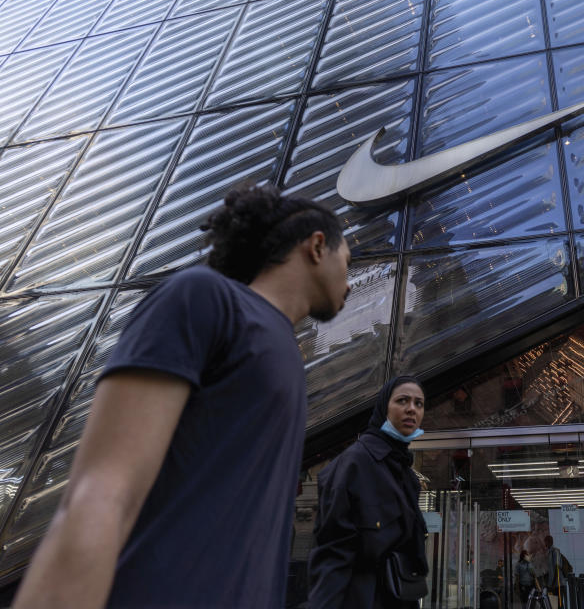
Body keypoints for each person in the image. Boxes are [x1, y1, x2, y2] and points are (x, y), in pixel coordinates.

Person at [13, 185, 351, 609]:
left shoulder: (284, 350)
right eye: (348, 262)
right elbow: (101, 491)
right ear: (317, 246)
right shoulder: (204, 297)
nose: (351, 283)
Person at [309, 377, 429, 608]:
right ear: (384, 407)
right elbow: (332, 553)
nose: (411, 409)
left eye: (419, 403)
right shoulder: (355, 464)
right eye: (402, 400)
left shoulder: (407, 475)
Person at [545, 535, 572, 606]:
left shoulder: (555, 551)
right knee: (554, 604)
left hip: (558, 584)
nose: (545, 544)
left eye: (546, 542)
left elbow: (557, 568)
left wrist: (553, 582)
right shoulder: (549, 553)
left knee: (559, 604)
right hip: (552, 584)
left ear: (550, 542)